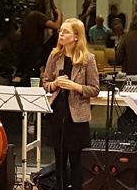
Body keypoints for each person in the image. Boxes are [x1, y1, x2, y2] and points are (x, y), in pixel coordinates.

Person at [43, 18, 99, 190]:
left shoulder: (88, 59)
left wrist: (76, 87)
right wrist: (55, 84)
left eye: (65, 32)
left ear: (76, 36)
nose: (61, 34)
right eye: (60, 31)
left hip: (76, 117)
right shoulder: (54, 56)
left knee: (76, 162)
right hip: (57, 113)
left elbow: (95, 89)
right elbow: (45, 83)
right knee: (59, 160)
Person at [18, 0, 62, 85]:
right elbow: (56, 25)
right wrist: (59, 15)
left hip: (25, 50)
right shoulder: (37, 15)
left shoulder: (27, 14)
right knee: (33, 76)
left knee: (27, 74)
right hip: (34, 51)